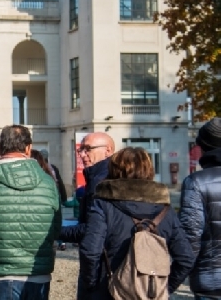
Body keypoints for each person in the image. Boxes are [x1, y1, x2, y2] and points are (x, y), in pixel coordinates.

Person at [79, 147, 194, 299]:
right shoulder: (165, 209)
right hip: (150, 293)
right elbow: (186, 258)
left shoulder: (103, 204)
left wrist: (92, 286)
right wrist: (164, 288)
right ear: (149, 170)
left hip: (109, 291)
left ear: (113, 170)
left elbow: (90, 251)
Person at [0, 125, 61, 300]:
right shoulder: (48, 183)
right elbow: (55, 228)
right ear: (28, 148)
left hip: (1, 273)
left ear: (0, 148)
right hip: (38, 272)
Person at [180, 118, 221, 299]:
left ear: (204, 147)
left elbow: (190, 236)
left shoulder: (196, 181)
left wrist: (175, 276)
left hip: (211, 280)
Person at [60, 132, 115, 245]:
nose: (82, 155)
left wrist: (55, 232)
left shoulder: (101, 182)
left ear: (108, 151)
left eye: (88, 149)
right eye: (81, 150)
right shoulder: (97, 177)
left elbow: (92, 229)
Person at [31, 149, 67, 251]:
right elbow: (59, 183)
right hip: (53, 197)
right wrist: (63, 197)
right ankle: (60, 241)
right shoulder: (52, 168)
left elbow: (59, 182)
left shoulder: (46, 169)